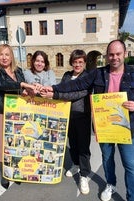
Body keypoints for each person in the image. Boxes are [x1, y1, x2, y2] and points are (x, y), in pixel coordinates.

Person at [40, 40, 134, 201]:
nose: (114, 58)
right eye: (111, 54)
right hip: (104, 126)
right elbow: (76, 84)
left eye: (118, 54)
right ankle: (110, 185)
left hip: (126, 128)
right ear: (106, 56)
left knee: (131, 166)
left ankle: (132, 198)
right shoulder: (98, 73)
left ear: (124, 54)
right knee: (107, 160)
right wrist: (53, 89)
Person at [41, 49, 92, 194]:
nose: (77, 65)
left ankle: (84, 175)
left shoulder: (87, 77)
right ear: (71, 62)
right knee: (73, 143)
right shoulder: (67, 75)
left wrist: (56, 95)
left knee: (83, 147)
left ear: (84, 63)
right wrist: (56, 94)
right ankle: (76, 165)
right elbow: (62, 89)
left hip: (82, 115)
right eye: (75, 62)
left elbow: (79, 93)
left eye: (80, 62)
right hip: (67, 115)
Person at [0, 44, 35, 189]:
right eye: (1, 54)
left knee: (16, 143)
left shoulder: (18, 71)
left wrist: (25, 91)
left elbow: (20, 89)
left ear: (11, 56)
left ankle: (15, 170)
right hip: (0, 111)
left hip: (17, 112)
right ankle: (5, 173)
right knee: (2, 143)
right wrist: (22, 85)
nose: (4, 57)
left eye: (7, 54)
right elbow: (1, 84)